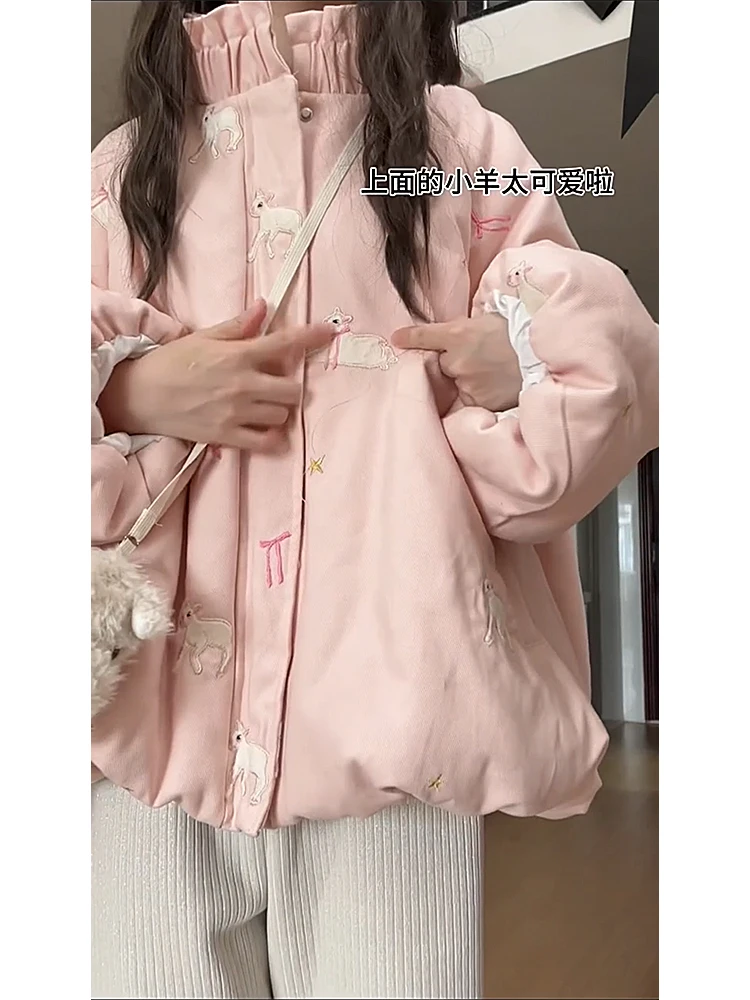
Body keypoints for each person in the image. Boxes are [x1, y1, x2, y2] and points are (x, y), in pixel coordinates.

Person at [90, 2, 659, 998]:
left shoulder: (458, 150)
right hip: (149, 744)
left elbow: (605, 392)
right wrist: (126, 388)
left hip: (395, 746)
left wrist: (522, 357)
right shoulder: (123, 173)